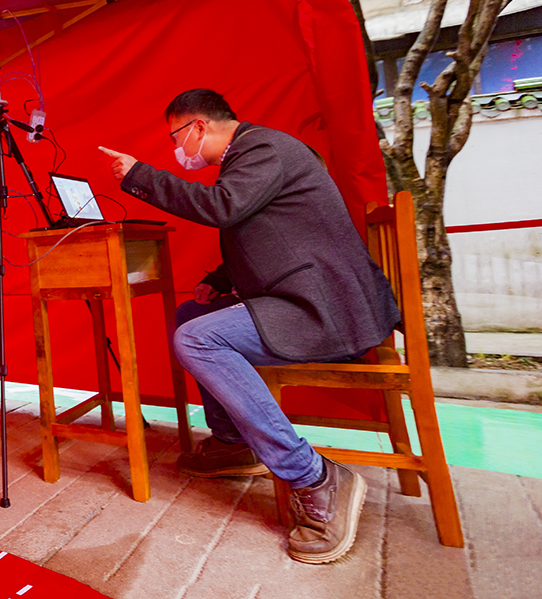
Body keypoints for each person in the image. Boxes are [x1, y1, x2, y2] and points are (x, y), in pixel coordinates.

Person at [99, 89, 400, 565]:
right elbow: (280, 231)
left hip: (326, 309)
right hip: (311, 297)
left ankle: (314, 476)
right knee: (192, 317)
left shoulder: (263, 147)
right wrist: (220, 279)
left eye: (176, 136)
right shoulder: (257, 155)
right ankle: (233, 442)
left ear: (197, 126)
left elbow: (224, 207)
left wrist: (140, 176)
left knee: (198, 339)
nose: (177, 149)